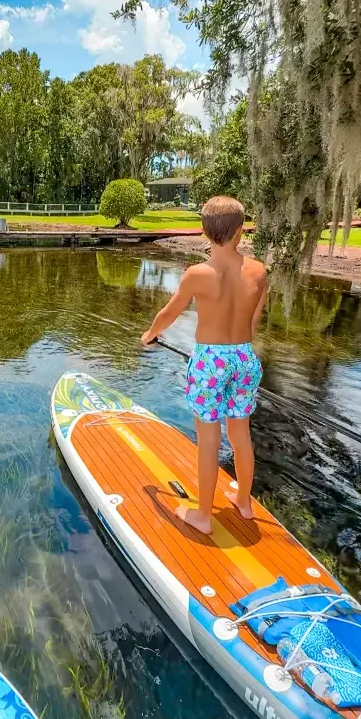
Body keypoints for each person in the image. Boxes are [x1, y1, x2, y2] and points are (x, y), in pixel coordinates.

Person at [141, 195, 268, 535]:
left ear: (203, 232)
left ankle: (203, 515)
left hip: (210, 362)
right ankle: (243, 501)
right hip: (244, 358)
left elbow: (169, 312)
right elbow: (254, 323)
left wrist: (150, 334)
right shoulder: (258, 270)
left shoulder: (198, 273)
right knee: (241, 435)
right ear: (240, 231)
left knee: (209, 441)